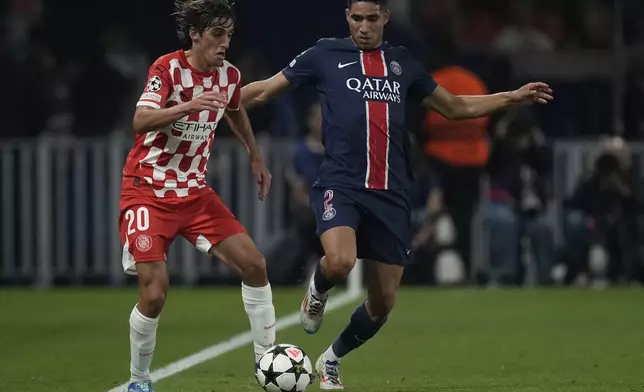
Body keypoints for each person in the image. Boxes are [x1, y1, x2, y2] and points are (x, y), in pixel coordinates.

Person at [241, 0, 553, 389]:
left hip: (391, 193)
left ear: (386, 17)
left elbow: (454, 107)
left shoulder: (404, 64)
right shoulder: (324, 54)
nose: (364, 26)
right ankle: (317, 291)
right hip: (342, 183)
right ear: (347, 18)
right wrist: (221, 99)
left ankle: (331, 359)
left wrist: (510, 97)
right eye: (357, 18)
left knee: (383, 301)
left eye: (372, 18)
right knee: (339, 261)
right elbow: (267, 89)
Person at [119, 1, 275, 391]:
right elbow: (139, 121)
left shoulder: (229, 75)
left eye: (229, 35)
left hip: (195, 194)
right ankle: (139, 381)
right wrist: (187, 106)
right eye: (217, 34)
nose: (225, 44)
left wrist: (255, 156)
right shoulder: (166, 68)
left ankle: (267, 364)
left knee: (255, 265)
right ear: (195, 34)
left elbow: (235, 109)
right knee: (155, 295)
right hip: (147, 190)